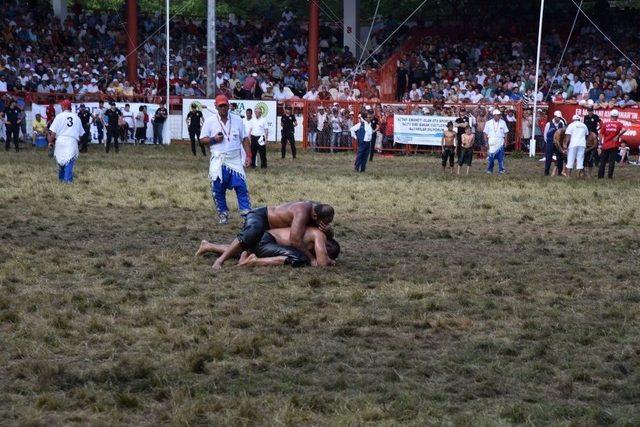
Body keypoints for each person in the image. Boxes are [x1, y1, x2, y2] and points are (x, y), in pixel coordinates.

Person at [209, 201, 334, 272]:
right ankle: (220, 260)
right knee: (250, 235)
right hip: (261, 216)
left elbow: (322, 233)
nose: (324, 226)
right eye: (323, 223)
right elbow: (295, 240)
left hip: (273, 230)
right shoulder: (302, 212)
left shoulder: (318, 211)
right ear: (315, 217)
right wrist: (311, 259)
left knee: (254, 247)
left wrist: (329, 231)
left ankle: (209, 246)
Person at [200, 94, 252, 224]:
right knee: (218, 188)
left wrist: (249, 155)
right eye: (221, 106)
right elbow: (202, 140)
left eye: (225, 105)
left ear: (229, 105)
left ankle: (246, 214)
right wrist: (213, 139)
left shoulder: (237, 120)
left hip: (235, 159)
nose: (223, 108)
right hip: (218, 159)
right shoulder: (210, 121)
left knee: (241, 186)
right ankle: (223, 213)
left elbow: (244, 139)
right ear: (216, 106)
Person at [195, 226, 340, 268]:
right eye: (327, 252)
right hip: (267, 240)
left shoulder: (313, 234)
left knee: (242, 250)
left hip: (266, 238)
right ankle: (253, 261)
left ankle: (209, 246)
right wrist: (329, 261)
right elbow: (320, 264)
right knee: (297, 259)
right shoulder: (319, 235)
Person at [48, 100, 83, 183]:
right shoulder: (76, 117)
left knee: (61, 160)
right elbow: (81, 134)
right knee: (69, 161)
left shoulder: (59, 116)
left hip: (60, 140)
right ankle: (68, 180)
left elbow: (53, 133)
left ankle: (61, 179)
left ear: (64, 107)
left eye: (61, 106)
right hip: (71, 141)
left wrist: (50, 142)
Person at [598, 109, 626, 179]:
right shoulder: (619, 124)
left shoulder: (605, 124)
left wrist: (600, 145)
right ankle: (609, 177)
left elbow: (600, 134)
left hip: (605, 145)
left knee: (602, 162)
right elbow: (624, 130)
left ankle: (600, 177)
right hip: (614, 145)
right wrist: (617, 136)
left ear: (611, 116)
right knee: (611, 162)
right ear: (617, 116)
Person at [483, 109, 509, 174]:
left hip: (500, 142)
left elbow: (506, 133)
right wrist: (486, 142)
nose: (498, 116)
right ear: (493, 116)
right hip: (491, 141)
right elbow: (485, 133)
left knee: (501, 158)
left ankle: (501, 170)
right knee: (491, 158)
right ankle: (489, 170)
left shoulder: (503, 122)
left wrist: (505, 142)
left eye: (499, 115)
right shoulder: (488, 123)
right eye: (496, 115)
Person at [543, 111, 565, 176]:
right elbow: (545, 134)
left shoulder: (562, 123)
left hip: (558, 143)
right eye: (558, 117)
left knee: (560, 157)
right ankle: (546, 172)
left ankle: (560, 172)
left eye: (560, 118)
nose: (559, 119)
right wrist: (548, 143)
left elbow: (563, 133)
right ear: (555, 117)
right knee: (548, 157)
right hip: (550, 143)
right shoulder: (549, 124)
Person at [583, 106, 602, 175]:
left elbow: (601, 123)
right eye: (589, 111)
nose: (590, 112)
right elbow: (584, 125)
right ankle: (586, 161)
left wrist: (598, 129)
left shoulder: (595, 117)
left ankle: (597, 162)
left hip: (594, 134)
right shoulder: (586, 117)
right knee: (587, 146)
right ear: (587, 111)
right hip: (587, 134)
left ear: (592, 111)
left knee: (595, 147)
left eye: (591, 111)